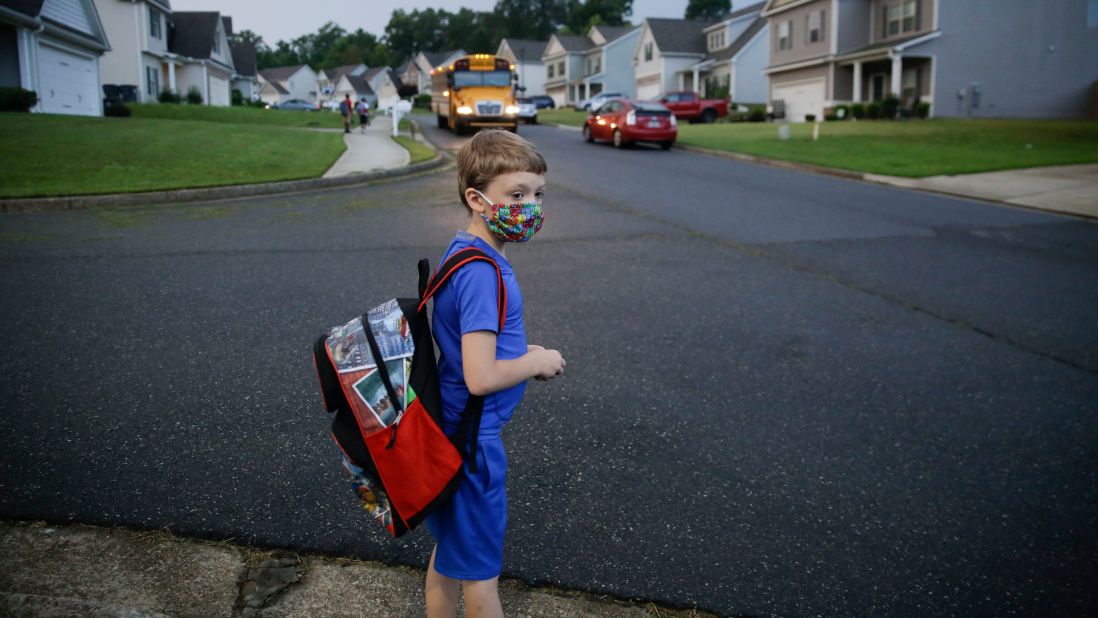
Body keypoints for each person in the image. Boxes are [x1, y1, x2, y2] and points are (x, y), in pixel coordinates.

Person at [424, 129, 565, 618]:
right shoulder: (483, 272)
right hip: (472, 443)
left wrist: (523, 349)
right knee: (481, 577)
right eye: (517, 195)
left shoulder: (465, 251)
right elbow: (480, 376)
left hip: (452, 428)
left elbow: (474, 344)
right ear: (477, 199)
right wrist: (535, 361)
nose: (530, 206)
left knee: (449, 556)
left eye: (538, 194)